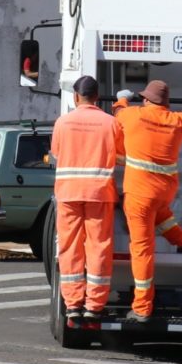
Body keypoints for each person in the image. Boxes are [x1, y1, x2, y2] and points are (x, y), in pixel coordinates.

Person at [113, 80, 182, 322]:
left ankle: (142, 307)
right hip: (165, 190)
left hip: (139, 194)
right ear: (165, 102)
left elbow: (118, 113)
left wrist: (121, 98)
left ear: (146, 99)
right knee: (161, 213)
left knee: (142, 249)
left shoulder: (132, 115)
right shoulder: (178, 120)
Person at [50, 75, 123, 322]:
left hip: (69, 193)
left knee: (70, 247)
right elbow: (121, 158)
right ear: (98, 97)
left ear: (75, 97)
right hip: (99, 193)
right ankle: (94, 304)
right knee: (99, 246)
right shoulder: (111, 123)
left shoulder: (63, 123)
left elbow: (56, 156)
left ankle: (72, 303)